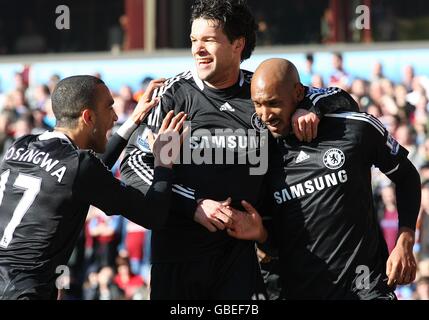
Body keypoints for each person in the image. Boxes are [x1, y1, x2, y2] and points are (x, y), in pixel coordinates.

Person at [120, 0, 326, 300]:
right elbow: (134, 165)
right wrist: (194, 205)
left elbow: (336, 100)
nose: (197, 49)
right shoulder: (174, 96)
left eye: (209, 40)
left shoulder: (263, 92)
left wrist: (307, 109)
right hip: (178, 259)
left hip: (241, 259)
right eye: (193, 40)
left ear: (237, 44)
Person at [225, 58, 421, 299]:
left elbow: (407, 177)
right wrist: (261, 234)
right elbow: (273, 237)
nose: (265, 114)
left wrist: (405, 239)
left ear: (298, 93)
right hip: (302, 290)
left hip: (366, 288)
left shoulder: (354, 129)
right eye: (258, 104)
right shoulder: (259, 151)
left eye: (273, 103)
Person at [0, 75, 187, 300]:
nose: (116, 116)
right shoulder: (79, 167)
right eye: (109, 108)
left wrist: (134, 121)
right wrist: (164, 161)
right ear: (88, 117)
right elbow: (152, 215)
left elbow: (82, 175)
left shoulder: (21, 145)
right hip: (24, 291)